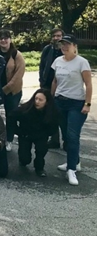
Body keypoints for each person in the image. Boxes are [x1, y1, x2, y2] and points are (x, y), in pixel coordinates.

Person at [51, 34, 92, 186]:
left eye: (67, 44)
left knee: (73, 136)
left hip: (76, 103)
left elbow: (88, 84)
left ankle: (71, 169)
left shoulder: (82, 62)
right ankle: (75, 161)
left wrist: (87, 104)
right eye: (62, 44)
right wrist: (52, 99)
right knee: (66, 137)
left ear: (75, 46)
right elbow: (55, 81)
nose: (64, 47)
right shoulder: (58, 61)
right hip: (60, 102)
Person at [13, 89, 58, 177]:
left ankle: (39, 168)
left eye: (40, 100)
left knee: (41, 151)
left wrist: (46, 134)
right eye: (36, 99)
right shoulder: (25, 108)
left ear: (47, 102)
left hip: (41, 135)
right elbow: (11, 117)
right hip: (25, 134)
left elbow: (54, 126)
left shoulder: (52, 112)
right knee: (25, 159)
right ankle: (23, 160)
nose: (37, 102)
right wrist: (17, 131)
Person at [0, 29, 26, 151]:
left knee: (11, 116)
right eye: (1, 38)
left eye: (6, 38)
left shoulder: (16, 54)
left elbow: (18, 75)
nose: (3, 40)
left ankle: (9, 140)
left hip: (12, 91)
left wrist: (6, 89)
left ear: (10, 39)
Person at [39, 28, 64, 148]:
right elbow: (42, 66)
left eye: (59, 36)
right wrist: (41, 81)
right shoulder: (47, 50)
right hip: (47, 85)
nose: (56, 38)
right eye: (54, 36)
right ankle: (54, 140)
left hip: (63, 87)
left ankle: (67, 141)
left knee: (62, 115)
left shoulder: (65, 50)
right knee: (50, 113)